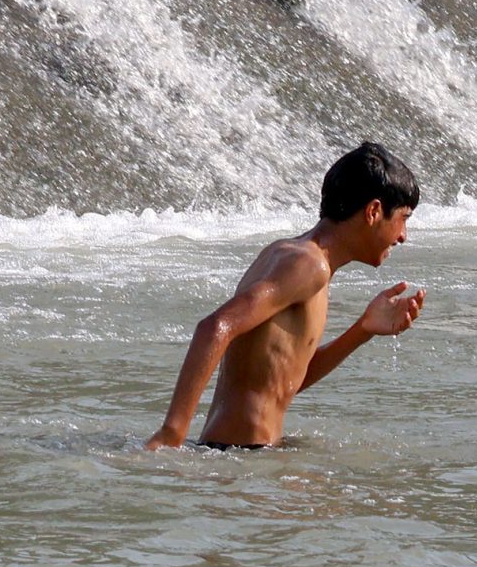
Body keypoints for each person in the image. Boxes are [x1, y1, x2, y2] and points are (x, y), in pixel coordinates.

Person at [145, 142, 426, 451]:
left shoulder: (294, 255)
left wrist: (363, 330)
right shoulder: (308, 264)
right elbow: (214, 327)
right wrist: (172, 432)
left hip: (243, 452)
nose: (403, 236)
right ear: (373, 212)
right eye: (404, 218)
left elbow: (282, 383)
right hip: (243, 457)